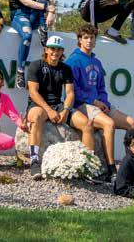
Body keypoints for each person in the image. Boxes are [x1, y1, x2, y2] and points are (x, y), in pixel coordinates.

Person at [66, 23, 134, 178]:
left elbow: (101, 88)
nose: (89, 41)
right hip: (82, 105)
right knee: (109, 124)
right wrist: (95, 102)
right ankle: (111, 169)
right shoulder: (72, 61)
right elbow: (74, 91)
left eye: (92, 38)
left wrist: (104, 103)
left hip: (99, 104)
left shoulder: (97, 63)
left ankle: (131, 166)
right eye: (86, 37)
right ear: (79, 40)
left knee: (133, 124)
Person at [26, 35, 95, 180]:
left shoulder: (66, 69)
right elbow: (33, 92)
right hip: (38, 105)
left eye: (58, 49)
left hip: (58, 105)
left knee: (87, 124)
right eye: (52, 49)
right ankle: (34, 161)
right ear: (46, 49)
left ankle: (88, 166)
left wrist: (66, 110)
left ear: (62, 51)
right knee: (36, 117)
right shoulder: (35, 65)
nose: (55, 52)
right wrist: (49, 110)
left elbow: (70, 93)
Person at [7, 0, 56, 88]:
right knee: (27, 36)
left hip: (34, 16)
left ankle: (42, 28)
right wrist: (46, 8)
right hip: (20, 15)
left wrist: (51, 13)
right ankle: (20, 71)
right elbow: (25, 2)